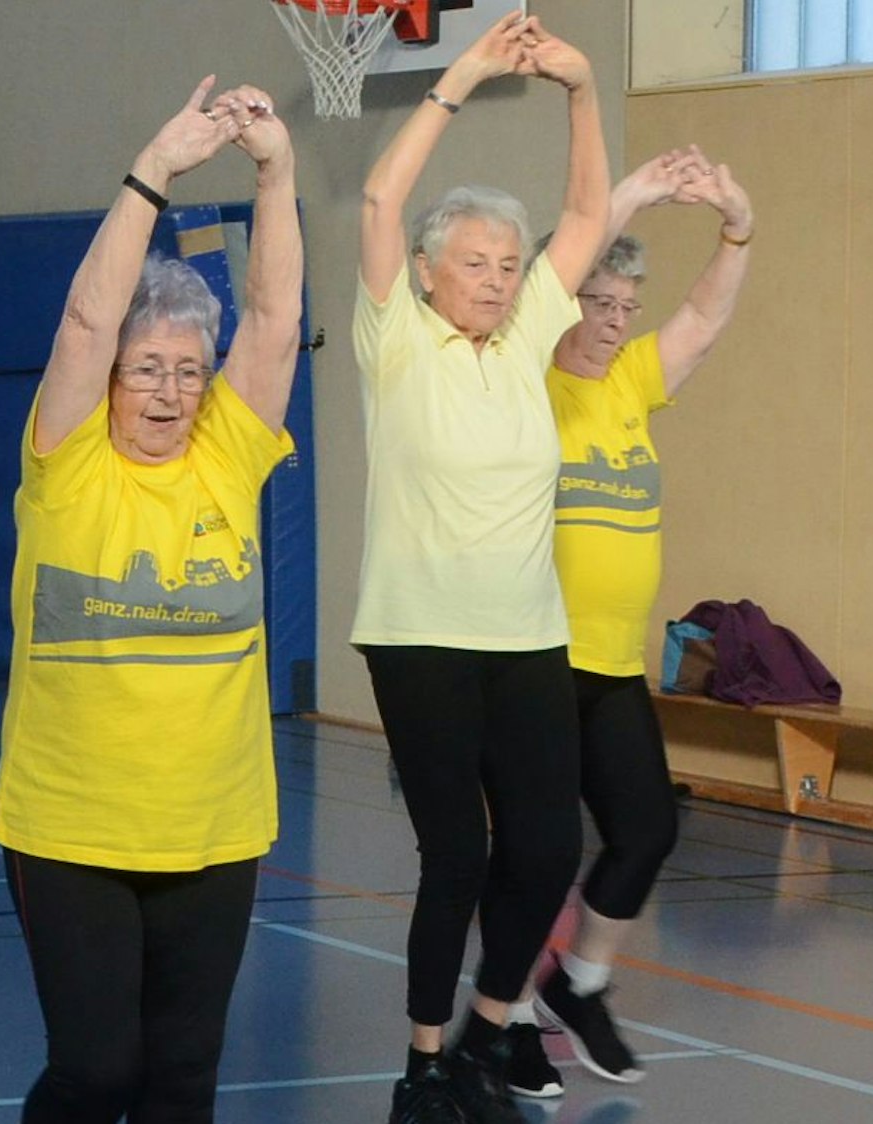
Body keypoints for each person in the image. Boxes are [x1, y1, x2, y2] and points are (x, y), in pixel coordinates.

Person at [0, 76, 302, 1123]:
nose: (168, 390)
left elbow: (273, 318)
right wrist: (155, 171)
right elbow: (85, 319)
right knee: (97, 1071)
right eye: (145, 369)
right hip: (70, 828)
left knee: (182, 1077)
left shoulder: (226, 458)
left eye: (188, 371)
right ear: (110, 378)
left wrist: (276, 171)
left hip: (214, 825)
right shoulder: (67, 463)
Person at [350, 15, 610, 1124]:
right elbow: (378, 199)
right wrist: (460, 74)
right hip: (418, 636)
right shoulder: (396, 339)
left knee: (546, 849)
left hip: (526, 637)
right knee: (456, 852)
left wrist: (581, 88)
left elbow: (587, 217)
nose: (498, 280)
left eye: (508, 265)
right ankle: (420, 1066)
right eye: (474, 263)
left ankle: (484, 1037)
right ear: (426, 271)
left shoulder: (525, 337)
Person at [500, 145, 755, 1096]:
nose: (613, 322)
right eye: (597, 302)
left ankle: (578, 985)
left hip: (609, 666)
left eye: (625, 308)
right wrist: (630, 196)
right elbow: (547, 279)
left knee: (645, 831)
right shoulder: (522, 380)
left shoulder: (631, 382)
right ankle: (504, 1017)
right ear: (562, 300)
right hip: (532, 661)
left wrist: (737, 227)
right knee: (537, 854)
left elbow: (705, 319)